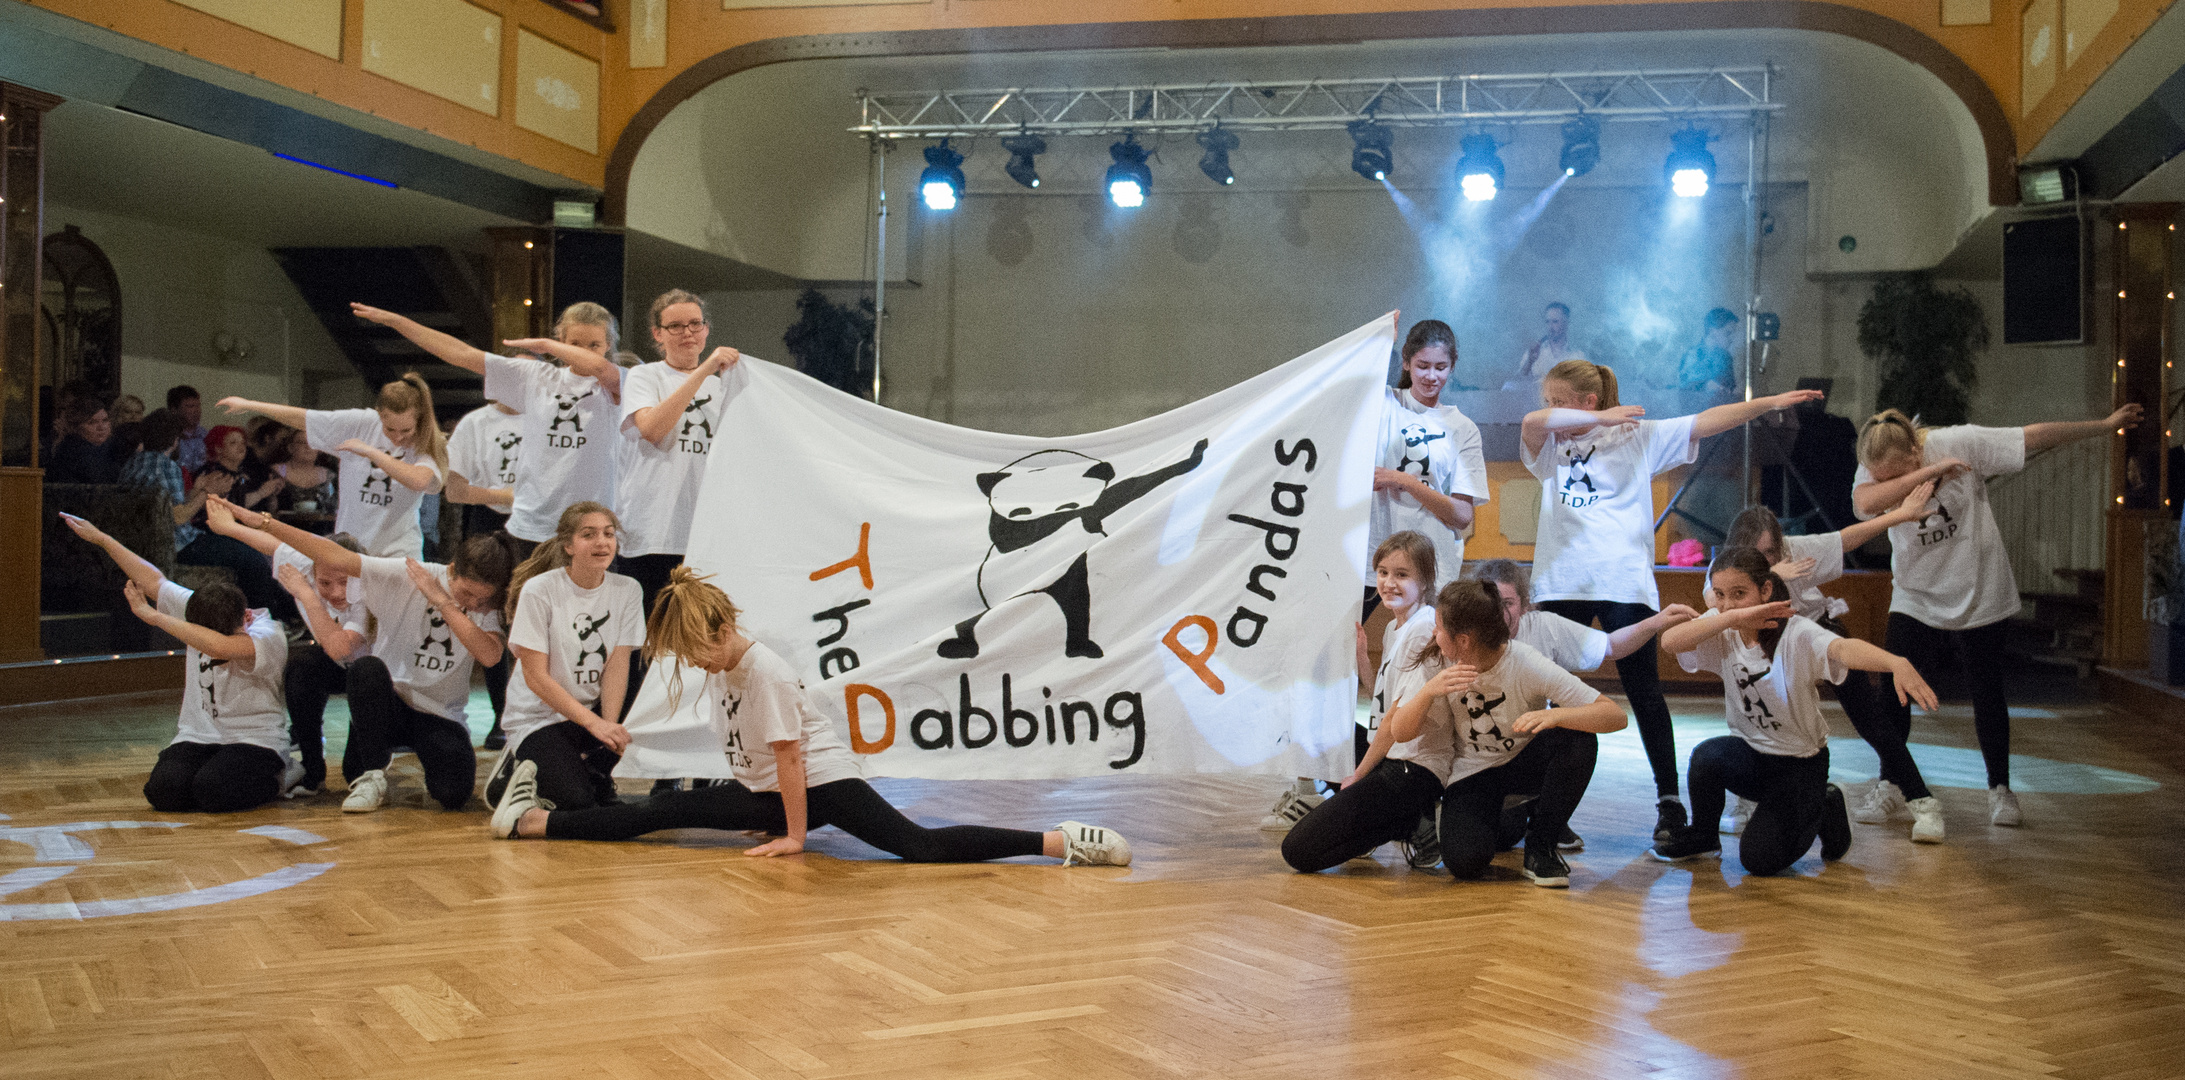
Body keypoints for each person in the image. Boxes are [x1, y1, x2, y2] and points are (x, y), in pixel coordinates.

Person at [487, 567, 1132, 868]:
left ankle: (1060, 840)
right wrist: (753, 810)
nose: (699, 666)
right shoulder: (725, 664)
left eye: (698, 652)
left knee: (917, 845)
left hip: (818, 785)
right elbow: (750, 754)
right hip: (770, 792)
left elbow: (792, 759)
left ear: (726, 628)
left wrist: (794, 836)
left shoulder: (762, 668)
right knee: (664, 811)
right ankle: (534, 823)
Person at [1521, 359, 1823, 842]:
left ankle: (1669, 801)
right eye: (1549, 401)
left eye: (1560, 401)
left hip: (1624, 583)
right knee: (1550, 692)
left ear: (1588, 400)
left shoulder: (1636, 437)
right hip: (1561, 582)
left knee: (1645, 692)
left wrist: (1768, 403)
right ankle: (1548, 811)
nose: (1550, 410)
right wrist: (1599, 419)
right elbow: (1532, 423)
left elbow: (1709, 420)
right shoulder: (1551, 442)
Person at [1851, 403, 2141, 826]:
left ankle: (2000, 790)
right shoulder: (1876, 460)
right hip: (1917, 592)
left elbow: (2034, 434)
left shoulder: (1958, 442)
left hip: (1979, 585)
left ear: (1917, 448)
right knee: (1897, 683)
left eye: (1899, 474)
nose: (1890, 486)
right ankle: (1890, 783)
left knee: (1986, 688)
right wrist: (1928, 476)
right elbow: (1864, 503)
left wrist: (2104, 425)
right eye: (1885, 479)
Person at [1284, 580, 1627, 888]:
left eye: (1439, 628)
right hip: (1472, 773)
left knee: (1578, 738)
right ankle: (1497, 822)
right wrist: (1427, 693)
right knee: (1465, 863)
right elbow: (1399, 729)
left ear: (1463, 640)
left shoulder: (1525, 662)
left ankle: (1541, 848)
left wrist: (1555, 716)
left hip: (1521, 761)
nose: (1434, 635)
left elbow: (1614, 715)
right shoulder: (1437, 660)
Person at [219, 496, 516, 813]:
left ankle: (392, 758)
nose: (472, 603)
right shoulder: (411, 573)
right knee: (365, 670)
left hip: (440, 715)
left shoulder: (489, 606)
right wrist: (261, 521)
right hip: (387, 703)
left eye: (480, 598)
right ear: (453, 570)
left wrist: (444, 602)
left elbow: (490, 656)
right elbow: (332, 554)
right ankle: (371, 775)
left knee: (453, 794)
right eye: (466, 593)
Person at [1653, 547, 1940, 875]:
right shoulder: (1723, 622)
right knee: (1707, 757)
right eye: (1719, 595)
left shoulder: (1796, 633)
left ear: (1765, 591)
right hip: (1754, 755)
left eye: (1739, 594)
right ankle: (1704, 836)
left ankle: (1826, 804)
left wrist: (1895, 662)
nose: (1728, 604)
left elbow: (1842, 648)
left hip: (1800, 767)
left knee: (1757, 860)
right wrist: (1731, 617)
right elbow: (1671, 641)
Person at [1723, 491, 1947, 842]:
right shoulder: (1727, 569)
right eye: (1757, 553)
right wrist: (1771, 577)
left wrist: (1901, 514)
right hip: (1766, 646)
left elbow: (1847, 538)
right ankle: (1747, 800)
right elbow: (1710, 601)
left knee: (1870, 718)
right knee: (1753, 715)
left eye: (1771, 552)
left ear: (1781, 546)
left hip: (1815, 632)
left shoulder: (1796, 550)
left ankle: (1923, 802)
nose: (1766, 559)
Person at [60, 511, 296, 812]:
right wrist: (103, 539)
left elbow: (221, 645)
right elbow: (153, 580)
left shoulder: (268, 633)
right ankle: (211, 769)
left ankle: (284, 775)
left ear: (246, 617)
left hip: (256, 739)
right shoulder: (199, 608)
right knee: (164, 793)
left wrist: (155, 617)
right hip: (200, 735)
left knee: (213, 793)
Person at [349, 301, 622, 559]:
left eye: (593, 344)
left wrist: (548, 345)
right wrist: (395, 321)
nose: (583, 352)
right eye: (574, 343)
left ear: (608, 346)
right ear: (562, 342)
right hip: (532, 524)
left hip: (592, 529)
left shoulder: (621, 383)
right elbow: (461, 354)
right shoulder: (536, 376)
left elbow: (600, 368)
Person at [1465, 557, 1698, 853]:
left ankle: (1546, 823)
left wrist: (1657, 621)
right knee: (1494, 837)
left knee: (1574, 736)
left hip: (1523, 750)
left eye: (1508, 603)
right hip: (1478, 757)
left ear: (1525, 605)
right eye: (1490, 602)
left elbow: (1610, 646)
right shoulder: (1460, 636)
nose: (1499, 614)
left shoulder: (1541, 628)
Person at [1265, 532, 1442, 835]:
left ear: (1424, 581)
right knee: (1320, 728)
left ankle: (1420, 822)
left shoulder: (1423, 627)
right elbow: (1383, 700)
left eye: (1401, 574)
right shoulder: (1393, 626)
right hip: (1389, 748)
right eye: (1383, 573)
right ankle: (1384, 818)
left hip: (1409, 758)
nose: (1388, 582)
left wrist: (1358, 775)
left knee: (1311, 842)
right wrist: (1363, 660)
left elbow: (1393, 723)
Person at [483, 502, 644, 812]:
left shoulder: (628, 590)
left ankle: (595, 769)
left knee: (641, 672)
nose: (602, 542)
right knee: (576, 802)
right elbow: (536, 678)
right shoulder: (540, 590)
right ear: (569, 545)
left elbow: (618, 665)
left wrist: (607, 733)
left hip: (588, 713)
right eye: (589, 534)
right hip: (537, 717)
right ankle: (515, 766)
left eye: (608, 534)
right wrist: (595, 726)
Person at [202, 496, 365, 794]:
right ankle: (312, 769)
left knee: (356, 771)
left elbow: (341, 648)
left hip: (378, 677)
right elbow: (272, 543)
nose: (335, 592)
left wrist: (306, 594)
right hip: (341, 665)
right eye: (325, 583)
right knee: (302, 667)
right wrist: (229, 526)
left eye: (344, 582)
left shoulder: (369, 590)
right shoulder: (306, 565)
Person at [216, 374, 448, 559]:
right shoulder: (362, 422)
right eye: (390, 429)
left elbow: (419, 480)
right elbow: (307, 418)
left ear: (419, 420)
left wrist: (371, 452)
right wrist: (251, 405)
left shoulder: (427, 442)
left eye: (405, 430)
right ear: (380, 415)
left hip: (398, 553)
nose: (397, 437)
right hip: (350, 547)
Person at [617, 290, 738, 630]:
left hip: (702, 532)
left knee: (700, 636)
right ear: (657, 334)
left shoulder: (725, 387)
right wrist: (703, 372)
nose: (687, 333)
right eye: (675, 326)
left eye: (695, 324)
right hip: (651, 530)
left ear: (706, 329)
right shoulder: (645, 376)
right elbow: (652, 429)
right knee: (653, 639)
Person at [1369, 320, 1488, 614]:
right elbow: (1349, 383)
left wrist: (1405, 481)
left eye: (1440, 367)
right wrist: (1384, 339)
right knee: (1345, 641)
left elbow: (1461, 515)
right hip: (1374, 554)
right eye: (1423, 365)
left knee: (1429, 651)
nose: (1432, 376)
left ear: (1452, 366)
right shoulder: (1385, 404)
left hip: (1431, 562)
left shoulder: (1463, 428)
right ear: (1407, 363)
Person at [443, 399, 523, 750]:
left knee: (529, 621)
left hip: (537, 528)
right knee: (491, 618)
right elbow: (455, 490)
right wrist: (506, 495)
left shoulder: (546, 415)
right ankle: (500, 714)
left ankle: (530, 712)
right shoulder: (476, 422)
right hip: (489, 521)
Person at [119, 409, 219, 558]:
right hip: (175, 545)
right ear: (174, 439)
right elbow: (176, 517)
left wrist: (196, 489)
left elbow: (167, 505)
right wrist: (206, 492)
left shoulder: (132, 464)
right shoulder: (166, 466)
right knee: (247, 555)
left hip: (140, 544)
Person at [1511, 301, 1584, 389]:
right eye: (1547, 322)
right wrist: (1530, 362)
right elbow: (1515, 383)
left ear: (1566, 323)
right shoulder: (1534, 352)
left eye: (1555, 322)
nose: (1550, 327)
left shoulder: (1578, 356)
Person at [46, 398, 119, 484]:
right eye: (92, 422)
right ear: (76, 427)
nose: (101, 427)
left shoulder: (113, 448)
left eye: (105, 420)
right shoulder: (71, 452)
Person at [266, 425, 336, 513]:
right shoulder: (276, 471)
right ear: (291, 448)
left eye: (312, 443)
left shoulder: (329, 475)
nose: (308, 447)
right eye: (302, 442)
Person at [1675, 308, 1740, 393]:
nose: (1732, 339)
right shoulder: (1692, 355)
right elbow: (1683, 389)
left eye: (1733, 333)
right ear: (1712, 331)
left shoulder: (1726, 357)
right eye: (1727, 333)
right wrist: (1704, 386)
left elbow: (1730, 387)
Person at [168, 385, 209, 475]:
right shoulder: (166, 436)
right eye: (190, 406)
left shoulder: (206, 435)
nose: (196, 410)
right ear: (174, 410)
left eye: (198, 406)